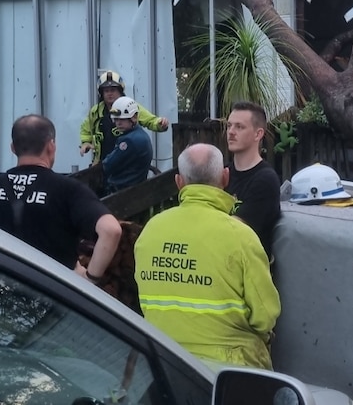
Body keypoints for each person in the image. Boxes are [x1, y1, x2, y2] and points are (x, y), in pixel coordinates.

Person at [134, 143, 280, 370]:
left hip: (163, 362)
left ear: (179, 182)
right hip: (230, 370)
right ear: (225, 178)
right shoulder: (241, 236)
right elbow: (266, 315)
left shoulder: (151, 230)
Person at [0, 115, 122, 284]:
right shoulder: (68, 190)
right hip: (52, 295)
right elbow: (111, 230)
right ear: (51, 146)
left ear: (13, 148)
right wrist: (90, 279)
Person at [225, 101, 281, 258]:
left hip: (247, 269)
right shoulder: (223, 173)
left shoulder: (265, 179)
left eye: (239, 127)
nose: (231, 132)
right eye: (229, 126)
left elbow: (234, 231)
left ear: (258, 134)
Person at [80, 69, 169, 164]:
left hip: (126, 162)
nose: (110, 93)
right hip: (102, 163)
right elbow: (86, 128)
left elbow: (150, 120)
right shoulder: (96, 112)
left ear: (120, 91)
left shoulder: (131, 107)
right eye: (106, 91)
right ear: (101, 94)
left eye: (113, 90)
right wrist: (85, 142)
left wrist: (160, 124)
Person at [102, 96, 154, 195]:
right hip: (133, 189)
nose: (118, 123)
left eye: (122, 119)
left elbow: (108, 165)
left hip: (121, 191)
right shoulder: (140, 135)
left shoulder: (128, 141)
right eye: (116, 119)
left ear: (134, 117)